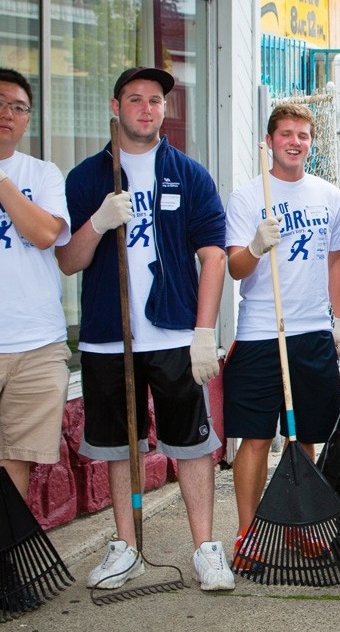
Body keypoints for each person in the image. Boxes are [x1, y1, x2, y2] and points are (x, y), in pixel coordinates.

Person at [58, 66, 231, 591]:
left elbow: (214, 257)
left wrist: (204, 333)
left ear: (164, 110)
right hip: (109, 336)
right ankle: (127, 547)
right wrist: (97, 223)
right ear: (116, 108)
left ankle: (205, 548)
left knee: (193, 444)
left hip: (175, 335)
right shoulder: (88, 177)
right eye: (134, 99)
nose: (146, 108)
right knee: (117, 445)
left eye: (155, 100)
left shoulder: (190, 174)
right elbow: (68, 260)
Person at [224, 103, 340, 570]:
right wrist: (256, 247)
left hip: (311, 332)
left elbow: (336, 260)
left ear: (311, 142)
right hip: (261, 331)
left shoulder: (329, 196)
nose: (295, 142)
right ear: (270, 141)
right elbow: (235, 267)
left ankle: (297, 525)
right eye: (286, 134)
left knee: (304, 438)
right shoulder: (247, 196)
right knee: (256, 439)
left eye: (302, 135)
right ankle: (248, 531)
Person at [0, 68, 71, 502]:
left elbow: (45, 234)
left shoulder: (43, 173)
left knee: (16, 459)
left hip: (36, 343)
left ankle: (6, 557)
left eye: (17, 107)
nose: (6, 113)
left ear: (28, 119)